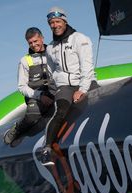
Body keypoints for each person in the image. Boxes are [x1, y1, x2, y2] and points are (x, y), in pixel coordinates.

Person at [41, 6, 97, 165]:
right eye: (51, 23)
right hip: (65, 86)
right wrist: (59, 86)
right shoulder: (50, 47)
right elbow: (52, 70)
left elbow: (87, 67)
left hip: (84, 82)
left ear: (64, 21)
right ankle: (47, 149)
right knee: (62, 110)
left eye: (57, 21)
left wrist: (82, 89)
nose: (54, 25)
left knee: (100, 104)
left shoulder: (80, 39)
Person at [3, 27, 55, 145]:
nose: (33, 44)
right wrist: (39, 95)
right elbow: (22, 87)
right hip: (36, 97)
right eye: (30, 43)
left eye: (36, 41)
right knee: (32, 117)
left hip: (54, 91)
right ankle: (16, 130)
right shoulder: (25, 61)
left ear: (42, 38)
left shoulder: (53, 52)